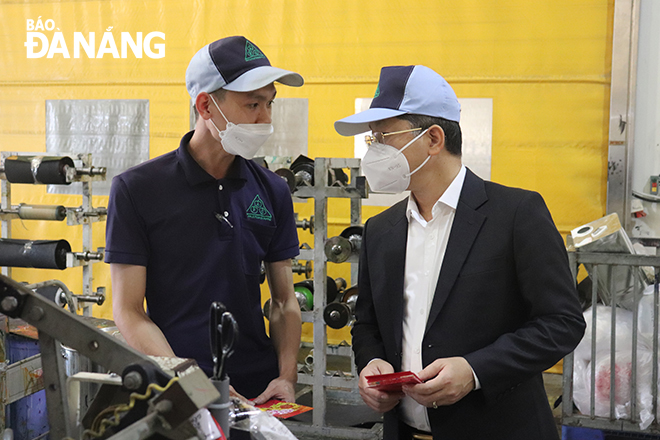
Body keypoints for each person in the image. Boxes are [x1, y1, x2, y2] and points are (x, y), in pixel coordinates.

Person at [334, 65, 586, 440]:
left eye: (384, 137)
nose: (374, 152)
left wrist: (475, 370)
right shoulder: (381, 230)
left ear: (434, 138)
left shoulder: (516, 214)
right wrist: (371, 362)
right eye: (373, 140)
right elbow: (368, 323)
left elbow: (562, 322)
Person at [105, 36, 303, 403]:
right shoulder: (137, 190)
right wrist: (196, 389)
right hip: (175, 389)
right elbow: (129, 312)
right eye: (253, 104)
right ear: (206, 105)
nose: (265, 118)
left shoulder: (272, 190)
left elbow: (283, 301)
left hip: (259, 389)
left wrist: (286, 376)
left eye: (270, 103)